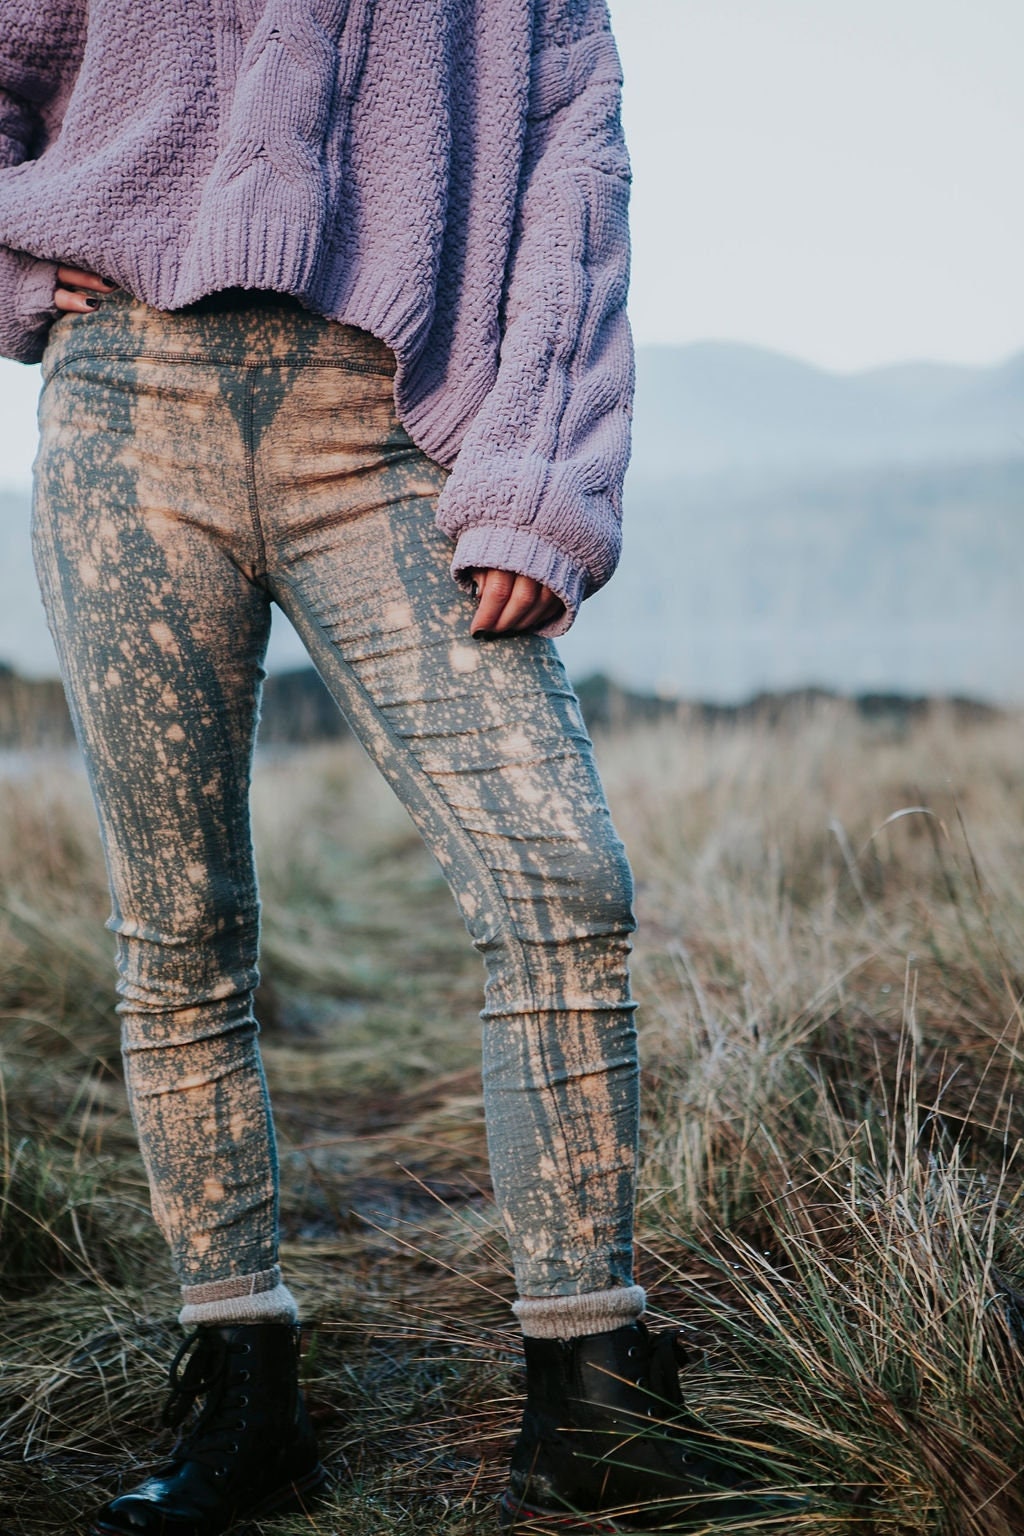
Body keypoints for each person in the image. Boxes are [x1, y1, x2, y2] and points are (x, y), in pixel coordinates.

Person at [0, 3, 783, 1532]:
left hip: (396, 422)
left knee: (563, 881)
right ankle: (239, 1384)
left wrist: (543, 468)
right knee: (179, 929)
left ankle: (593, 1391)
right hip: (123, 408)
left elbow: (575, 156)